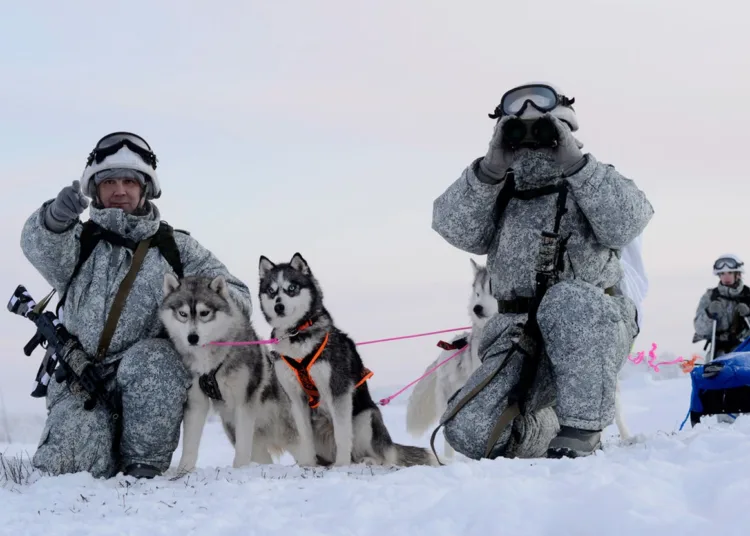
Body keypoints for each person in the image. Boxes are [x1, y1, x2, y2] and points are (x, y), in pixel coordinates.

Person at [430, 83, 654, 459]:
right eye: (520, 129)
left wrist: (575, 165)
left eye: (545, 129)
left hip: (591, 327)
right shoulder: (501, 190)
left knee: (565, 299)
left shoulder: (593, 180)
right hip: (518, 332)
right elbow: (454, 227)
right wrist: (491, 169)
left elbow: (627, 222)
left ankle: (582, 428)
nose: (533, 139)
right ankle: (550, 425)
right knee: (468, 431)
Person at [20, 132, 252, 479]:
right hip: (80, 378)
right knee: (66, 472)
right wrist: (55, 219)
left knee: (156, 359)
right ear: (94, 189)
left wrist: (202, 310)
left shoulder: (176, 248)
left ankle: (143, 466)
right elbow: (41, 247)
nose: (119, 190)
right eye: (109, 181)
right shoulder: (79, 241)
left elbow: (237, 297)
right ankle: (102, 446)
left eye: (129, 181)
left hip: (147, 375)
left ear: (145, 189)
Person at [693, 254, 750, 359]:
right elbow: (699, 329)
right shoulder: (710, 297)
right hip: (718, 352)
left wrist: (748, 314)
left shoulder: (748, 295)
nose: (726, 277)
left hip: (745, 352)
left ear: (737, 274)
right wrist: (709, 314)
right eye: (722, 273)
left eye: (730, 273)